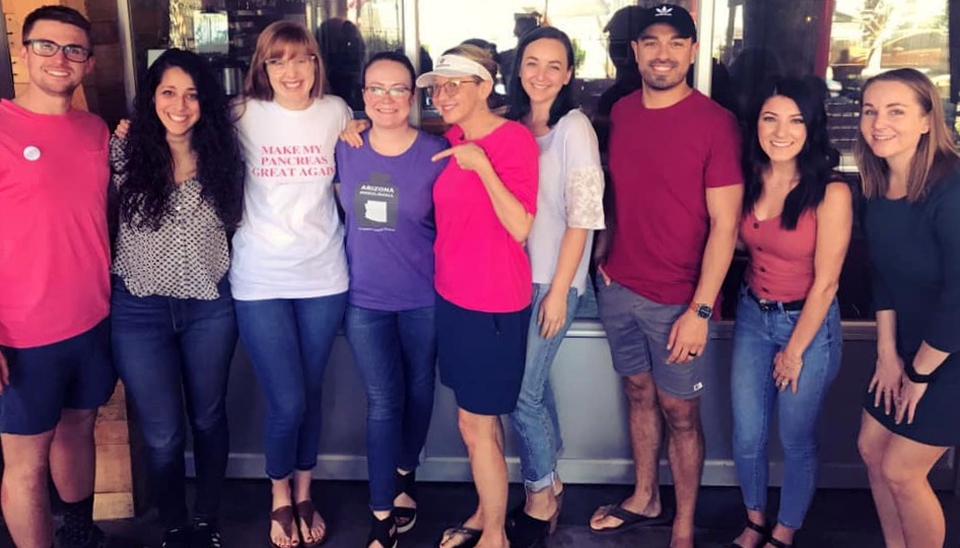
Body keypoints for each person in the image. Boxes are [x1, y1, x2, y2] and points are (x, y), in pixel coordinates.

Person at [589, 5, 743, 548]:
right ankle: (645, 496)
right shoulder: (621, 113)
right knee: (636, 392)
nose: (662, 53)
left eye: (676, 42)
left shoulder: (716, 123)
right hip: (619, 287)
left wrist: (701, 310)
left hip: (680, 300)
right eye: (651, 42)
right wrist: (604, 256)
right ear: (635, 52)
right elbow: (614, 191)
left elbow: (725, 225)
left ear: (693, 52)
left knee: (680, 412)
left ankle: (682, 523)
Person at [109, 48, 244, 548]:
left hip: (210, 306)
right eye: (168, 92)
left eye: (191, 94)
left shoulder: (225, 155)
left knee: (208, 418)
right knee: (163, 434)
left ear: (205, 101)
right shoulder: (122, 151)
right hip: (139, 308)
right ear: (151, 97)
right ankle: (173, 526)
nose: (180, 104)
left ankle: (206, 520)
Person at [231, 20, 352, 548]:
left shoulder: (338, 112)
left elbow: (362, 166)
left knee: (309, 390)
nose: (291, 71)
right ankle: (279, 496)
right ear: (262, 67)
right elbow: (179, 133)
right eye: (277, 60)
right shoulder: (242, 115)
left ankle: (305, 490)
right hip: (259, 275)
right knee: (286, 400)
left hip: (324, 273)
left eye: (301, 59)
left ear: (316, 65)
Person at [0, 6, 114, 548]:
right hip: (21, 334)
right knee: (25, 464)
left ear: (88, 64)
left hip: (92, 320)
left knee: (78, 430)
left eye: (73, 49)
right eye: (46, 45)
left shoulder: (94, 130)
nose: (59, 58)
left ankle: (80, 535)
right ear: (24, 52)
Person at [417, 45, 539, 548]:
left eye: (453, 86)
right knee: (476, 420)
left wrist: (481, 166)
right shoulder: (454, 136)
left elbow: (520, 225)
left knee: (476, 424)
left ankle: (495, 535)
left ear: (484, 88)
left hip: (492, 301)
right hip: (454, 298)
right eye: (437, 87)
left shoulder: (511, 141)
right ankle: (487, 511)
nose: (441, 96)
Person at [728, 77, 851, 548]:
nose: (781, 131)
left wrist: (794, 351)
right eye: (770, 118)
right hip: (753, 316)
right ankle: (756, 521)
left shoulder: (830, 192)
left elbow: (827, 283)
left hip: (808, 327)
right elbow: (738, 238)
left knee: (796, 439)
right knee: (746, 434)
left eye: (795, 120)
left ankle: (785, 530)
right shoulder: (751, 176)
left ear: (812, 127)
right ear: (756, 123)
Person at [335, 51, 448, 548]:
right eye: (375, 89)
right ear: (362, 96)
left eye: (397, 88)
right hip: (365, 300)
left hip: (425, 297)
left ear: (414, 95)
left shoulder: (437, 152)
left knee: (420, 391)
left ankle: (405, 473)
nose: (386, 98)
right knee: (383, 401)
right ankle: (381, 513)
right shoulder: (345, 147)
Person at [502, 27, 605, 548]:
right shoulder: (514, 126)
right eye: (533, 63)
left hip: (553, 281)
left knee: (521, 392)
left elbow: (582, 219)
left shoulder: (574, 128)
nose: (542, 74)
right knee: (528, 388)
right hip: (514, 280)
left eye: (554, 65)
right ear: (519, 68)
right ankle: (551, 473)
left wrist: (561, 291)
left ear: (568, 75)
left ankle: (541, 494)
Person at [856, 68, 960, 548]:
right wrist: (886, 354)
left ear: (926, 120)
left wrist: (917, 374)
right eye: (870, 110)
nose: (879, 122)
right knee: (871, 448)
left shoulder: (951, 191)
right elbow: (884, 277)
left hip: (949, 353)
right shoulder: (878, 188)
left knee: (901, 469)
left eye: (896, 110)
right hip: (909, 348)